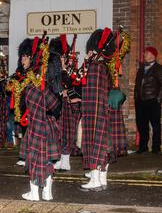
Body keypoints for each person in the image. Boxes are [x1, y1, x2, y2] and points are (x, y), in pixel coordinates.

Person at [8, 37, 61, 201]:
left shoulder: (33, 84)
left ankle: (35, 193)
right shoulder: (35, 81)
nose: (22, 59)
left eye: (25, 56)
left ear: (32, 58)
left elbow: (53, 105)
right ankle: (46, 192)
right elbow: (57, 107)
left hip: (36, 125)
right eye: (22, 56)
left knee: (34, 160)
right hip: (46, 125)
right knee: (45, 160)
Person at [80, 28, 129, 191]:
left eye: (89, 51)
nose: (87, 54)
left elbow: (91, 95)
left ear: (94, 51)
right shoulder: (105, 67)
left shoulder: (93, 67)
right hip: (104, 114)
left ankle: (94, 180)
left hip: (93, 113)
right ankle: (102, 179)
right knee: (104, 147)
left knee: (93, 144)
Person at [52, 35, 81, 171]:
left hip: (69, 107)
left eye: (63, 57)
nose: (61, 59)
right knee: (58, 134)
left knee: (67, 134)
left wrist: (70, 95)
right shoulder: (55, 72)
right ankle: (60, 159)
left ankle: (66, 161)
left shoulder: (72, 71)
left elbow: (78, 89)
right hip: (59, 105)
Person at [135, 46, 161, 155]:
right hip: (141, 102)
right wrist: (136, 98)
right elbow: (137, 85)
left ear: (152, 55)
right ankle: (143, 147)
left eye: (146, 53)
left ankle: (156, 148)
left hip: (153, 101)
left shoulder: (159, 68)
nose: (144, 55)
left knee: (155, 125)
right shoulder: (141, 69)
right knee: (142, 125)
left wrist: (158, 98)